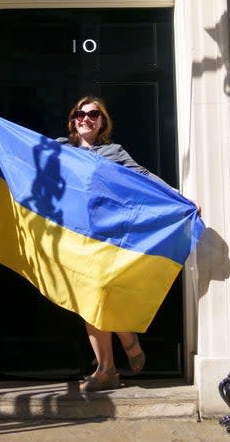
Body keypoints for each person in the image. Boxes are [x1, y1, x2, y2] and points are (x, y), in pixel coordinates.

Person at [56, 95, 166, 393]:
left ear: (102, 122)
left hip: (106, 235)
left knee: (102, 294)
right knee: (88, 300)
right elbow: (26, 152)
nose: (86, 119)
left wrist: (177, 196)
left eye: (94, 115)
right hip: (72, 235)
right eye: (80, 113)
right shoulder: (61, 149)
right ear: (73, 119)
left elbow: (142, 175)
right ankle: (109, 366)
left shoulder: (112, 151)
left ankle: (121, 349)